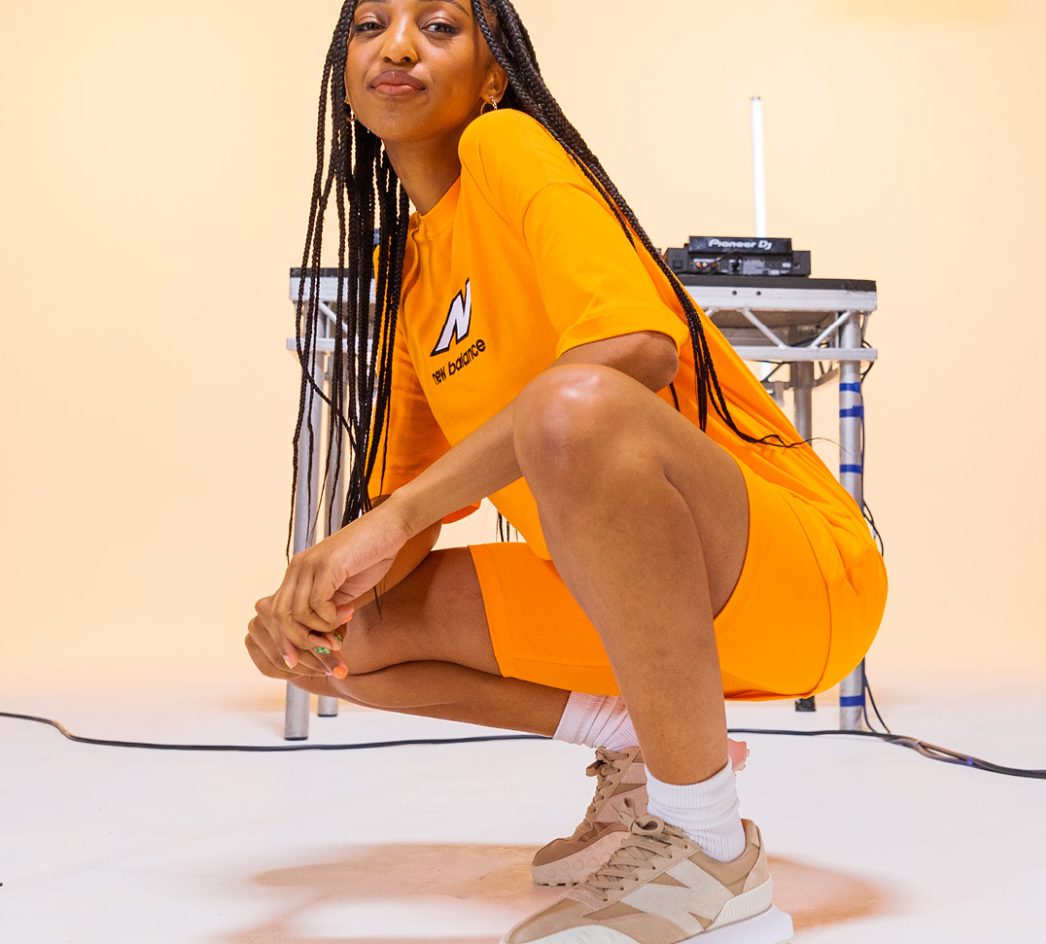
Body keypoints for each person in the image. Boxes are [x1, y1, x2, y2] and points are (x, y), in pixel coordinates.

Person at [244, 1, 888, 941]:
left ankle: (713, 854)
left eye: (439, 26)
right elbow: (400, 515)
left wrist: (392, 519)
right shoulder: (409, 275)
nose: (398, 44)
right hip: (642, 607)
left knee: (572, 403)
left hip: (795, 577)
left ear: (493, 76)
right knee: (348, 640)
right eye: (370, 23)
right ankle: (642, 755)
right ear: (346, 78)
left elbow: (634, 349)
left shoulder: (505, 146)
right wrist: (305, 604)